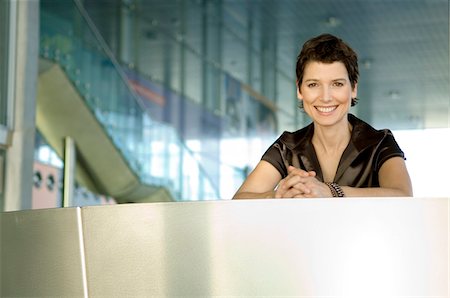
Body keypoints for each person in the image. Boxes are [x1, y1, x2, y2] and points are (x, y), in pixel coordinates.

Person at [233, 33, 413, 199]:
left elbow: (403, 195)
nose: (325, 97)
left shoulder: (379, 142)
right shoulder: (287, 147)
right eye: (313, 85)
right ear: (299, 90)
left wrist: (331, 191)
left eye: (337, 84)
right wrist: (280, 195)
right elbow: (240, 199)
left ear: (353, 88)